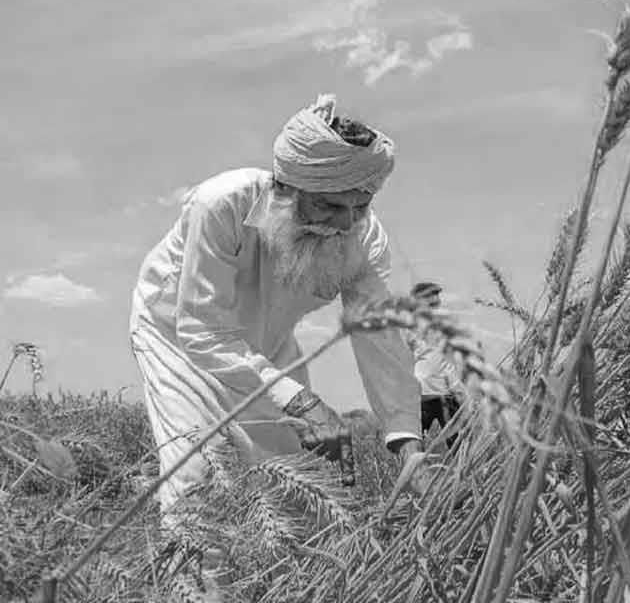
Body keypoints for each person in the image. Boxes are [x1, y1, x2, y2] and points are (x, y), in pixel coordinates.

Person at [128, 94, 426, 524]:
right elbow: (202, 329)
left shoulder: (363, 238)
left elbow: (379, 337)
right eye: (328, 206)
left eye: (359, 207)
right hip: (177, 335)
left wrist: (409, 447)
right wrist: (304, 404)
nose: (344, 224)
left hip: (267, 346)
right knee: (198, 477)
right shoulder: (220, 205)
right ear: (285, 189)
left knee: (295, 488)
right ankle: (195, 589)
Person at [407, 282, 463, 448]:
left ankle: (460, 474)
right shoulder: (408, 328)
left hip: (449, 395)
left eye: (437, 302)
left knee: (458, 447)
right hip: (422, 395)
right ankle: (416, 473)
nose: (436, 305)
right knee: (413, 444)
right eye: (431, 302)